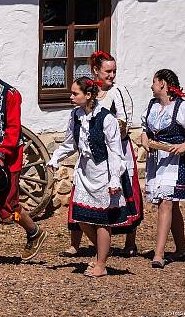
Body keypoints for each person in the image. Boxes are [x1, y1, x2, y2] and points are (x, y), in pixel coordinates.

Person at [62, 50, 143, 258]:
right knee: (81, 192)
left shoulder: (118, 92)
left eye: (114, 71)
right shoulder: (88, 92)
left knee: (124, 191)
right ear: (96, 70)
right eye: (108, 71)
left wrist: (108, 129)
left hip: (116, 149)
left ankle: (129, 242)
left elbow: (124, 122)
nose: (112, 75)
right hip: (93, 154)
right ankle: (78, 243)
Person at [0, 49, 46, 265]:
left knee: (8, 209)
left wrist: (2, 154)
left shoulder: (11, 95)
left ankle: (33, 231)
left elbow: (13, 129)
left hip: (6, 159)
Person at [47, 77, 129, 278]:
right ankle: (103, 251)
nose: (71, 96)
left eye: (75, 93)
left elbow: (115, 152)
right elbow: (70, 143)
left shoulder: (106, 118)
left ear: (89, 95)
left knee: (102, 221)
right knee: (82, 217)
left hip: (103, 172)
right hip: (85, 172)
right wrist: (55, 158)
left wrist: (114, 179)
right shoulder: (75, 115)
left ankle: (101, 264)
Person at [141, 69, 185, 269]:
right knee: (172, 206)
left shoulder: (182, 107)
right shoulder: (153, 105)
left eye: (154, 81)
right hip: (157, 159)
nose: (151, 85)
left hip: (175, 161)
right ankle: (182, 249)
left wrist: (184, 146)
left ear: (162, 83)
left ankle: (159, 254)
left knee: (166, 203)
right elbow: (145, 127)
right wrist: (145, 139)